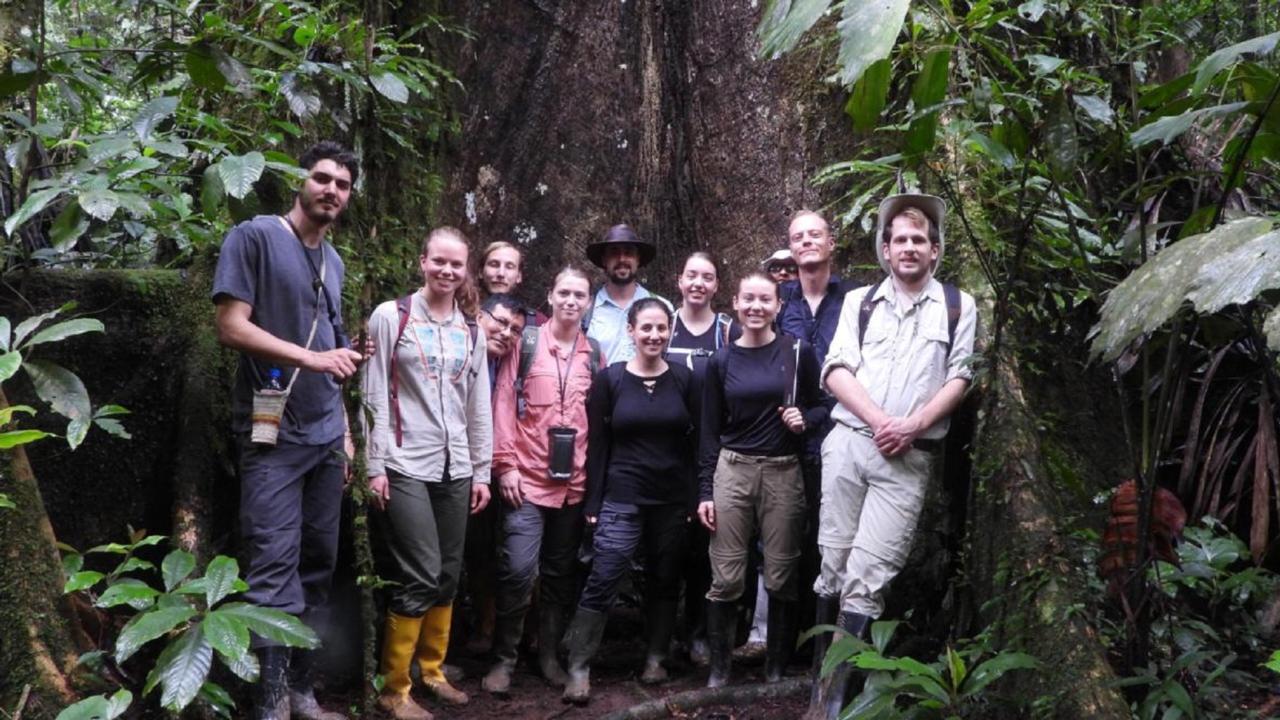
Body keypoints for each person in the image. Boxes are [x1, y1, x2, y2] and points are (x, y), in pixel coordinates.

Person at [807, 194, 976, 719]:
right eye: (899, 239)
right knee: (832, 564)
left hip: (908, 459)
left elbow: (961, 376)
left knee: (870, 573)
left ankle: (837, 701)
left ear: (934, 250)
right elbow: (835, 370)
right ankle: (819, 694)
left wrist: (914, 425)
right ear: (884, 248)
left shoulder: (957, 304)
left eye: (918, 240)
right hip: (850, 443)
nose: (908, 247)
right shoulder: (860, 302)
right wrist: (882, 421)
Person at [212, 140, 362, 720]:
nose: (331, 190)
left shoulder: (335, 262)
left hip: (326, 435)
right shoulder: (255, 236)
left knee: (318, 564)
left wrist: (346, 433)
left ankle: (302, 689)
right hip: (271, 437)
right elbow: (231, 326)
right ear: (300, 181)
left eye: (342, 185)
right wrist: (313, 360)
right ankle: (270, 704)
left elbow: (336, 352)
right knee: (273, 567)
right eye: (322, 178)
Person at [361, 227, 492, 719]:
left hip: (455, 464)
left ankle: (431, 671)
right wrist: (373, 466)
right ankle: (394, 688)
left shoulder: (472, 329)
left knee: (447, 573)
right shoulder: (391, 317)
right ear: (422, 262)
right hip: (404, 462)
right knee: (418, 571)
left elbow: (478, 404)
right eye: (439, 261)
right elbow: (372, 391)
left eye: (456, 265)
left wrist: (481, 470)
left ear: (466, 272)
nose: (447, 271)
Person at [560, 298, 698, 704]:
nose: (654, 335)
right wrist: (592, 502)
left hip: (671, 498)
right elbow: (598, 445)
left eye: (661, 328)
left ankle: (656, 657)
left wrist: (694, 497)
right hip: (622, 495)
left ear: (670, 331)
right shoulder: (612, 379)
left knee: (665, 576)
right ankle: (579, 665)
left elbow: (694, 445)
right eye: (647, 328)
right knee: (605, 572)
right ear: (631, 331)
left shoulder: (686, 380)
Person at [697, 273, 827, 688]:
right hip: (732, 470)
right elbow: (709, 431)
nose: (756, 307)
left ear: (778, 306)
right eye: (748, 299)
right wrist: (704, 490)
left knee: (781, 574)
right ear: (735, 302)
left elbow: (825, 404)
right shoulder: (721, 360)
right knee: (728, 575)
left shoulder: (796, 352)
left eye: (765, 300)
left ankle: (775, 667)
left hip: (783, 471)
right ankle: (720, 671)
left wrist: (804, 419)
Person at [483, 267, 603, 696]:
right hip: (527, 481)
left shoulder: (596, 353)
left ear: (589, 302)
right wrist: (505, 465)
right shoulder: (528, 343)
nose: (572, 301)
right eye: (564, 292)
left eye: (580, 294)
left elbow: (599, 420)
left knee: (559, 575)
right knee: (518, 570)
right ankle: (503, 659)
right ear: (550, 296)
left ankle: (549, 655)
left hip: (574, 486)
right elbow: (501, 401)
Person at [743, 211, 855, 666]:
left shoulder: (856, 299)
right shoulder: (779, 299)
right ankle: (779, 647)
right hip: (781, 437)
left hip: (841, 429)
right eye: (797, 237)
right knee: (782, 540)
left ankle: (827, 650)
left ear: (831, 243)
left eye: (815, 235)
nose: (807, 242)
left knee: (832, 539)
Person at [665, 252, 738, 667]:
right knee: (663, 544)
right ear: (679, 280)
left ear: (716, 286)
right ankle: (657, 636)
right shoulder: (662, 322)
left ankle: (697, 633)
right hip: (664, 448)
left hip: (711, 449)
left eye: (707, 277)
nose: (698, 283)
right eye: (691, 275)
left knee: (702, 547)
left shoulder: (727, 331)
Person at [461, 292, 528, 655]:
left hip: (506, 466)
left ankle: (500, 633)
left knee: (502, 553)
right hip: (462, 467)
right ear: (480, 316)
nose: (505, 333)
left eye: (515, 329)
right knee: (470, 553)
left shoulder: (513, 361)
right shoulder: (462, 349)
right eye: (500, 322)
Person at [584, 224, 670, 364]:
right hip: (600, 385)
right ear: (604, 260)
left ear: (638, 259)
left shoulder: (662, 307)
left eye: (629, 252)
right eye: (614, 252)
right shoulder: (586, 312)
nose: (622, 259)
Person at [477, 241, 546, 326]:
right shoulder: (460, 314)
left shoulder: (537, 323)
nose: (501, 274)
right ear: (480, 272)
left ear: (519, 276)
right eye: (494, 265)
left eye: (509, 267)